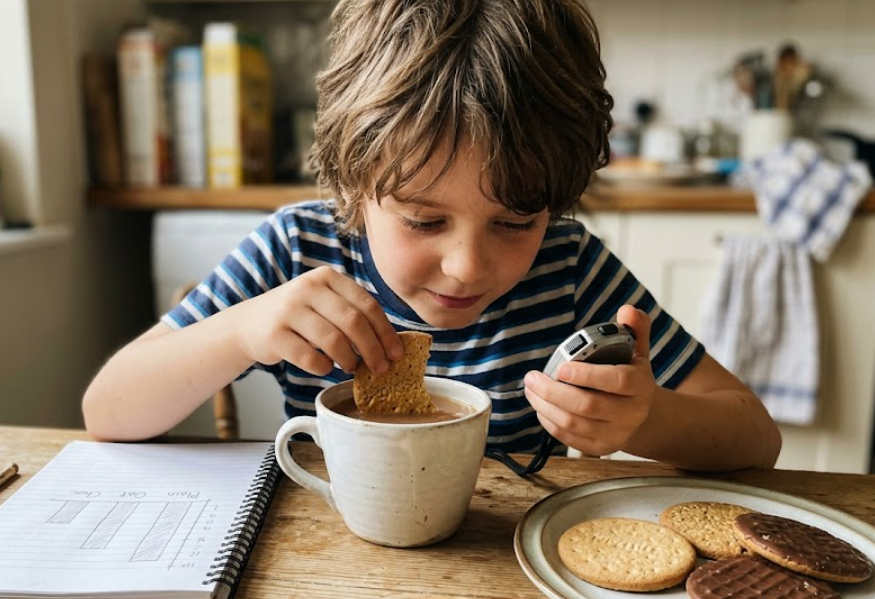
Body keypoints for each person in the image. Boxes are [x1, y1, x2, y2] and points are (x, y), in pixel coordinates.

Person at [83, 0, 781, 471]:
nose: (466, 266)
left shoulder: (570, 270)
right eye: (423, 219)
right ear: (352, 180)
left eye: (515, 222)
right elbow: (107, 408)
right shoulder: (297, 250)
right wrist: (240, 331)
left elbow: (755, 435)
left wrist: (646, 418)